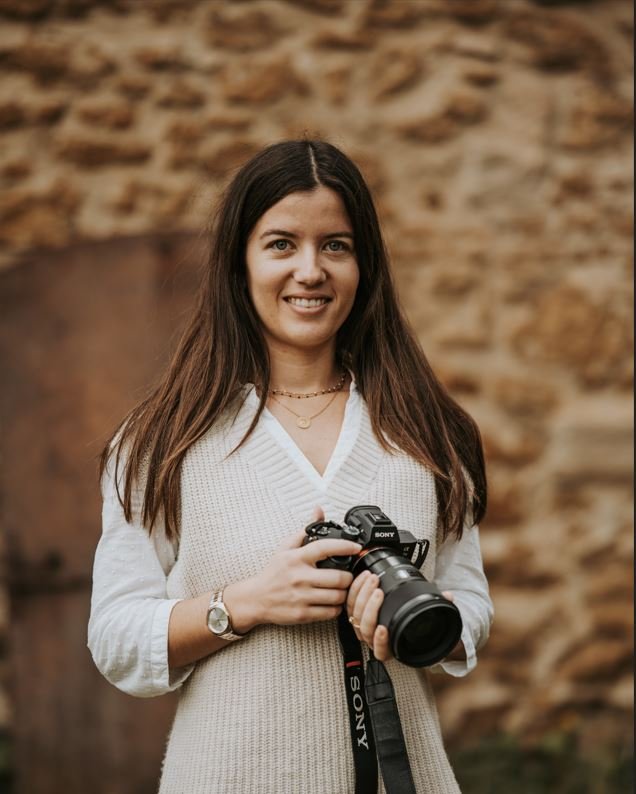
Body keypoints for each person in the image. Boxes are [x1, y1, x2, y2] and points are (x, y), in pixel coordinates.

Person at [88, 139, 493, 794]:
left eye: (336, 245)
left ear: (364, 265)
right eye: (281, 244)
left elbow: (470, 607)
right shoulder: (163, 439)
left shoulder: (429, 433)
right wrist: (245, 604)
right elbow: (115, 638)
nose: (311, 270)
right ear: (239, 262)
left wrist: (419, 619)